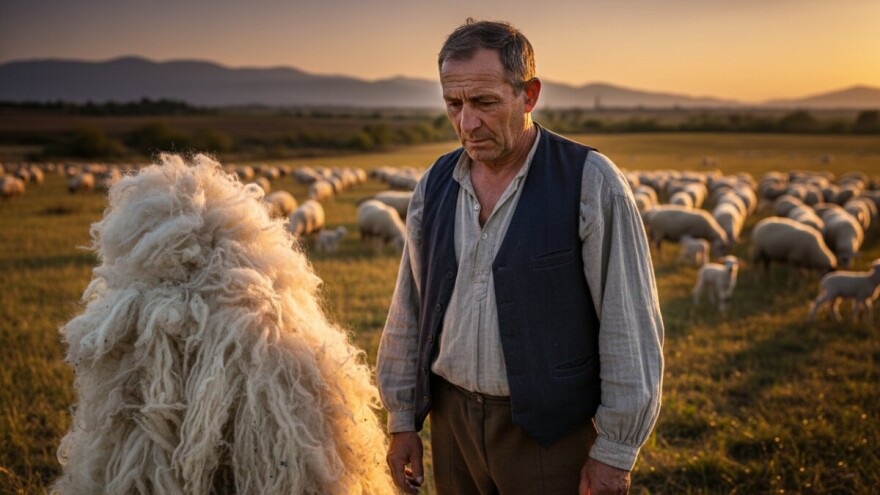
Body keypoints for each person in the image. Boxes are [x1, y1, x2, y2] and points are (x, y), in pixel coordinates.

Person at [377, 19, 664, 495]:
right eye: (454, 104)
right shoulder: (435, 184)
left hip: (548, 434)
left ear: (528, 95)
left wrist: (615, 450)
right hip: (452, 425)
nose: (467, 123)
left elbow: (628, 324)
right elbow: (409, 307)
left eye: (485, 102)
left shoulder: (589, 183)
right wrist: (402, 417)